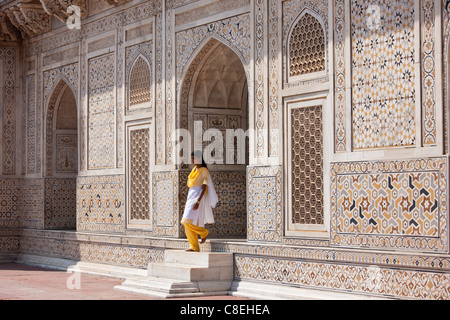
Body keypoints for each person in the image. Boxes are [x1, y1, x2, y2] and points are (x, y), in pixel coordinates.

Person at [181, 151, 218, 252]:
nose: (192, 161)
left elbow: (203, 188)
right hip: (191, 197)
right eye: (191, 159)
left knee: (186, 221)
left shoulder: (204, 171)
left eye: (194, 159)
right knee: (186, 223)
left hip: (198, 198)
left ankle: (203, 232)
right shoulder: (193, 170)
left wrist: (197, 201)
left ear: (199, 159)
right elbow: (191, 188)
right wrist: (188, 202)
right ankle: (194, 247)